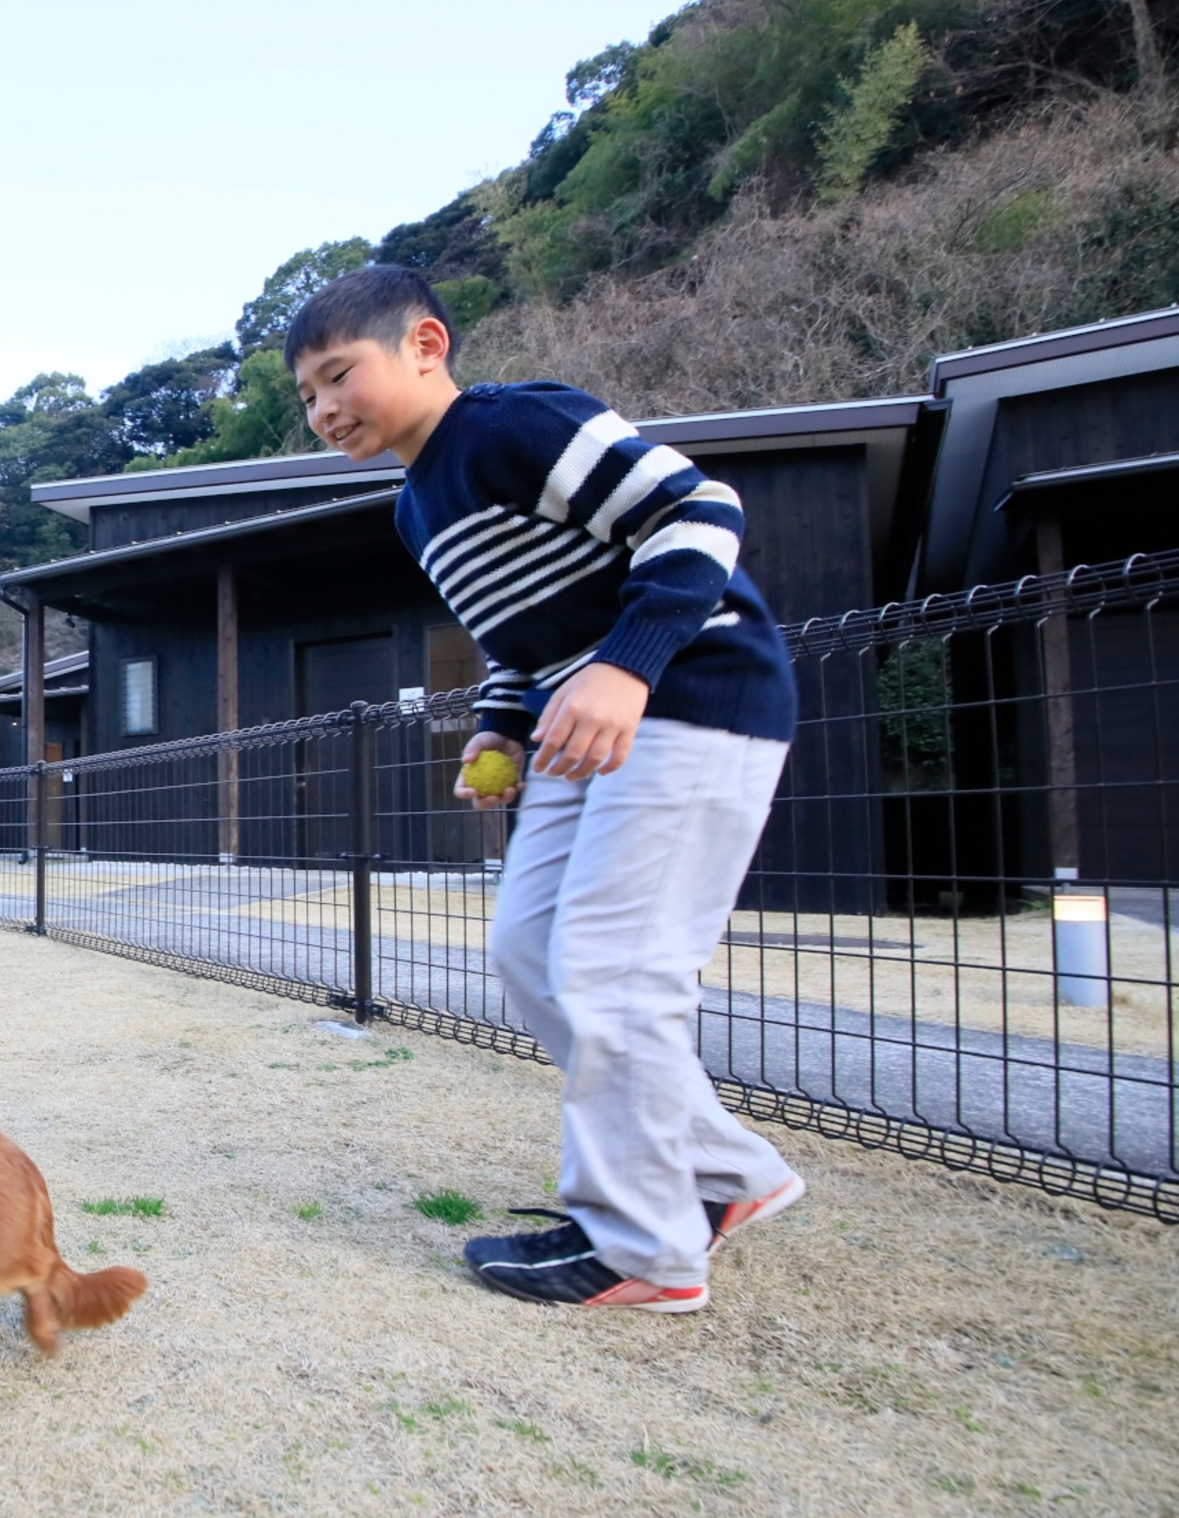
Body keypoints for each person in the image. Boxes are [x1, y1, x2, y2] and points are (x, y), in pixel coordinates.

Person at [288, 265, 803, 1312]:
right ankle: (723, 1176)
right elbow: (520, 639)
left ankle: (646, 1250)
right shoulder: (413, 506)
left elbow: (698, 509)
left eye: (338, 375)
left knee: (618, 970)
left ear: (424, 344)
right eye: (307, 395)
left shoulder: (515, 424)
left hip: (690, 694)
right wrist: (497, 726)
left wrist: (628, 662)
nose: (323, 409)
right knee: (532, 951)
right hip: (579, 727)